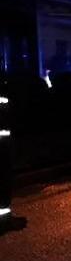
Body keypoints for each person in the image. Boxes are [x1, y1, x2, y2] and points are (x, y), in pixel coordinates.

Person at [0, 72, 12, 221]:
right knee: (3, 179)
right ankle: (4, 216)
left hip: (4, 142)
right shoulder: (3, 94)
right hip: (2, 145)